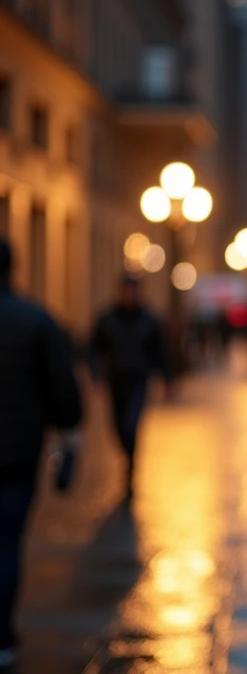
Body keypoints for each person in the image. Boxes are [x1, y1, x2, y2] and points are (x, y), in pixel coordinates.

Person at [0, 239, 82, 668]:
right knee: (7, 542)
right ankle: (2, 636)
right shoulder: (35, 320)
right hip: (16, 452)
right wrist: (69, 430)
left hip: (18, 448)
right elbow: (62, 388)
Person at [89, 275, 170, 497]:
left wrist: (163, 378)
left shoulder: (149, 320)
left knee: (131, 425)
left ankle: (131, 466)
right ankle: (128, 458)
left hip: (138, 381)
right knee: (116, 426)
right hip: (116, 381)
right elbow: (95, 349)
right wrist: (96, 376)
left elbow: (159, 351)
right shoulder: (107, 319)